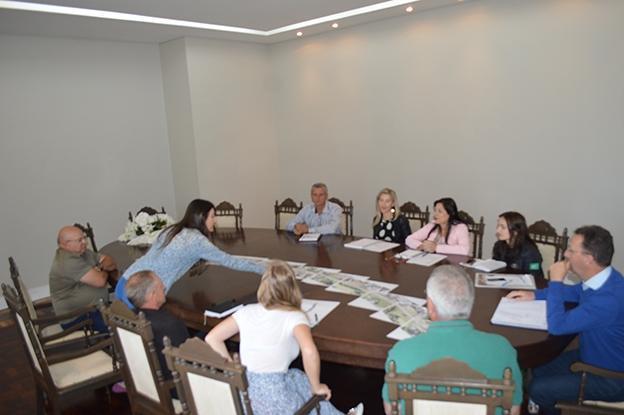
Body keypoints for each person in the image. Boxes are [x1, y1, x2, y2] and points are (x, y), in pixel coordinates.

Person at [205, 261, 363, 415]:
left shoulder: (246, 312)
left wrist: (233, 369)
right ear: (292, 288)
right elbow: (309, 351)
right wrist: (316, 386)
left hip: (245, 397)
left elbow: (212, 338)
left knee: (298, 378)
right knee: (307, 388)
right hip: (276, 402)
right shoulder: (294, 316)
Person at [507, 225, 624, 414]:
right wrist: (535, 295)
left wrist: (556, 281)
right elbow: (575, 292)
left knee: (539, 388)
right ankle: (541, 405)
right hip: (592, 355)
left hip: (611, 377)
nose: (565, 254)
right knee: (538, 367)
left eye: (571, 250)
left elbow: (557, 326)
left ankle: (541, 403)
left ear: (588, 258)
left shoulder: (608, 300)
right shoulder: (605, 278)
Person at [382, 265, 522, 415]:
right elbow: (513, 409)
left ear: (431, 306)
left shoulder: (400, 353)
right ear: (470, 303)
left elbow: (390, 410)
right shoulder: (501, 349)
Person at [116, 199, 264, 308]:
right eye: (212, 216)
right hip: (141, 294)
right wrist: (264, 269)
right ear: (201, 217)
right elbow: (230, 261)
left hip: (125, 282)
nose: (215, 221)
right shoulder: (196, 240)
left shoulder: (172, 230)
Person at [49, 225, 118, 333]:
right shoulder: (67, 262)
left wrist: (99, 269)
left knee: (127, 310)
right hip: (79, 317)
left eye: (84, 238)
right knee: (123, 326)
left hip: (96, 308)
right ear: (65, 244)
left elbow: (109, 260)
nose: (85, 242)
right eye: (79, 240)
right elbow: (100, 281)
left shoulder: (82, 252)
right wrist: (103, 269)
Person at [125, 270, 189, 381]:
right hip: (176, 384)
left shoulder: (130, 319)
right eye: (160, 285)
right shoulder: (170, 325)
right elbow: (189, 360)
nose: (164, 287)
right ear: (152, 294)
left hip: (145, 381)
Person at [404, 197, 470, 255]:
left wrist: (436, 248)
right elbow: (409, 239)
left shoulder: (460, 227)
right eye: (435, 210)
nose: (435, 214)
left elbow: (464, 250)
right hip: (431, 261)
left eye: (440, 211)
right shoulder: (432, 224)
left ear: (450, 214)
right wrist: (422, 246)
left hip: (451, 263)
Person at [492, 211, 543, 277]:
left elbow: (534, 276)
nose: (498, 230)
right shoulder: (498, 246)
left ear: (515, 231)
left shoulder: (531, 252)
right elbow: (495, 267)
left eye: (503, 227)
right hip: (505, 280)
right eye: (498, 225)